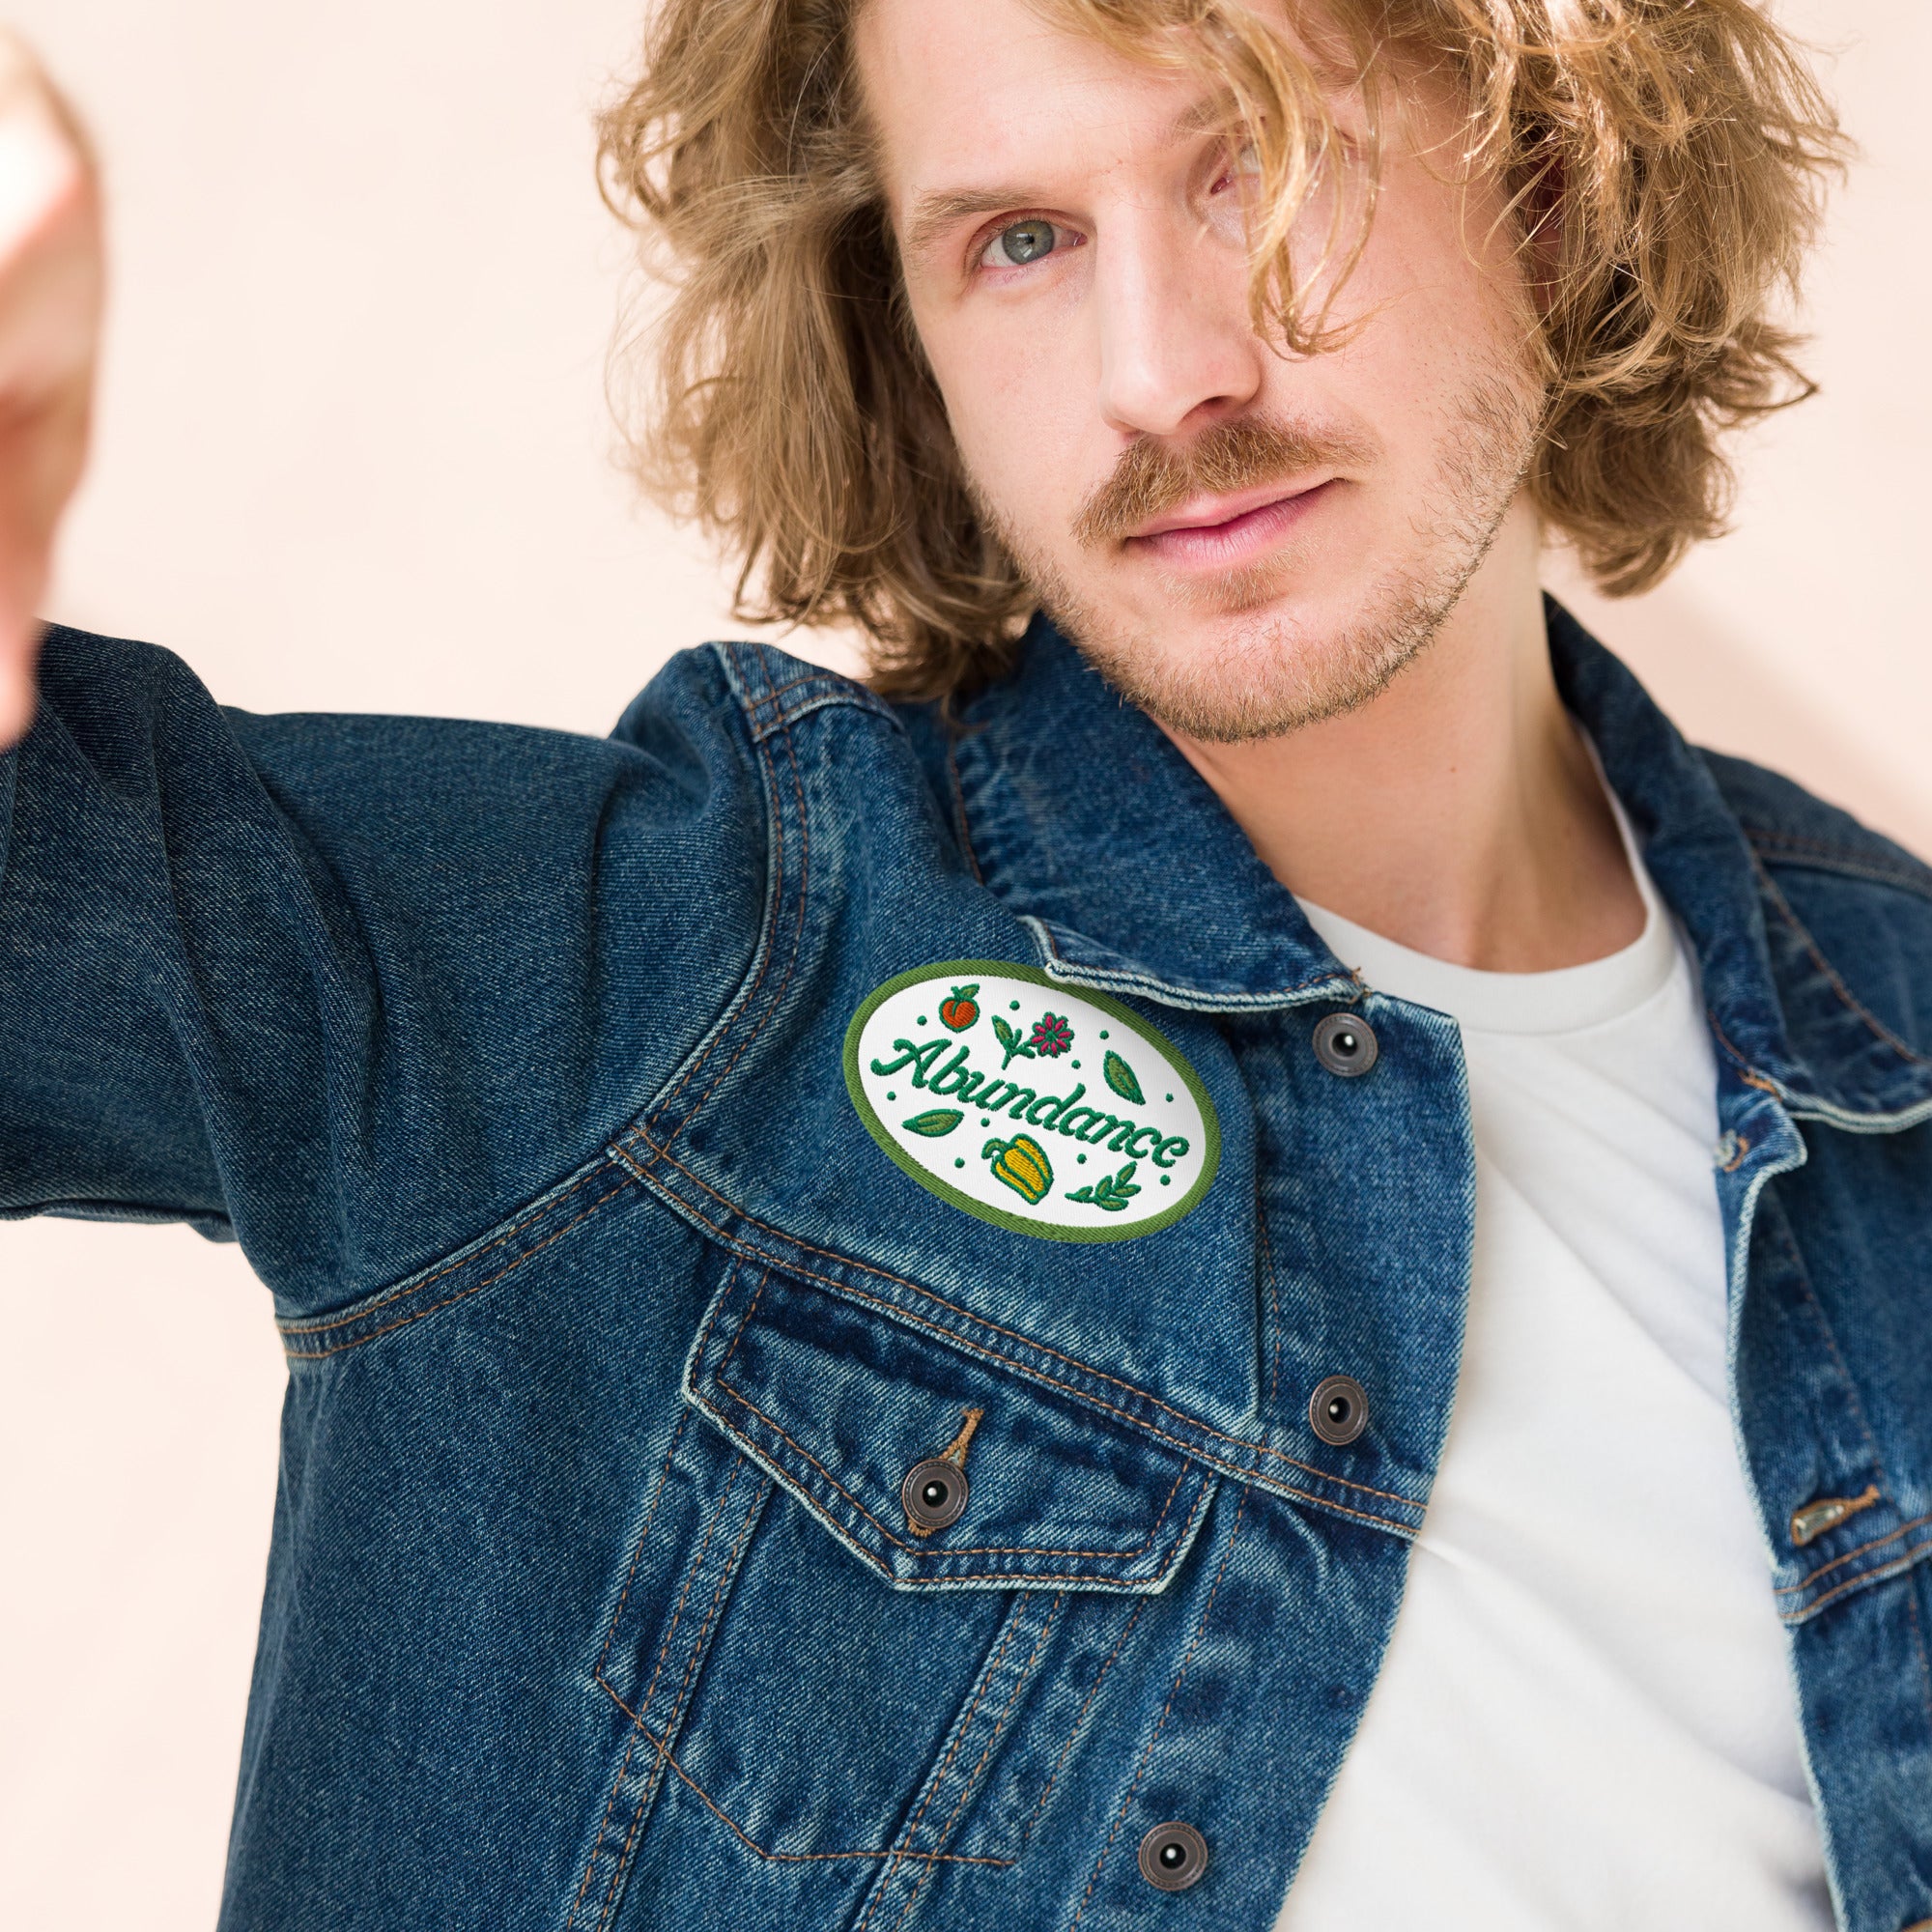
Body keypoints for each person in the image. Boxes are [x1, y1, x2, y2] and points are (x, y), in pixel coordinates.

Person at [0, 3, 1923, 1928]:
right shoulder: (654, 968)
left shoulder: (1896, 1044)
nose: (1164, 371)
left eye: (1258, 166)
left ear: (1548, 166)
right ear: (899, 345)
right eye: (1018, 241)